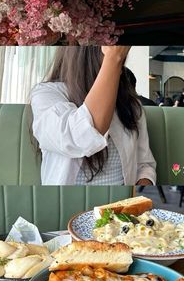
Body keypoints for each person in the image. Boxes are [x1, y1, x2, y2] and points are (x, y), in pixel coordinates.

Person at [31, 46, 156, 186]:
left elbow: (144, 165)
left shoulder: (131, 105)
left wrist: (139, 192)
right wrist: (113, 58)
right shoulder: (47, 94)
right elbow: (80, 138)